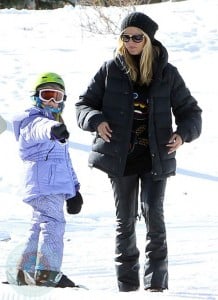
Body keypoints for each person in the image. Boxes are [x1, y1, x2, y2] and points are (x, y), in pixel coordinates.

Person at [75, 12, 202, 292]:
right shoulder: (110, 70)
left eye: (137, 37)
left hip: (157, 155)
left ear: (148, 40)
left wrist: (183, 134)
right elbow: (83, 105)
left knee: (153, 214)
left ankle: (156, 285)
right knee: (125, 221)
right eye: (125, 37)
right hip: (121, 159)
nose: (131, 42)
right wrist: (96, 120)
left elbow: (191, 112)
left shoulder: (167, 74)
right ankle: (127, 287)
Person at [11, 72, 83, 288]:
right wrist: (52, 129)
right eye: (47, 95)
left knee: (38, 226)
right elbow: (38, 129)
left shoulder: (58, 127)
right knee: (53, 225)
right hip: (44, 183)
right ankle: (47, 274)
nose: (52, 101)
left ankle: (25, 273)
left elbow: (65, 161)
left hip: (52, 184)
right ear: (36, 97)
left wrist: (75, 190)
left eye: (57, 96)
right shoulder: (32, 120)